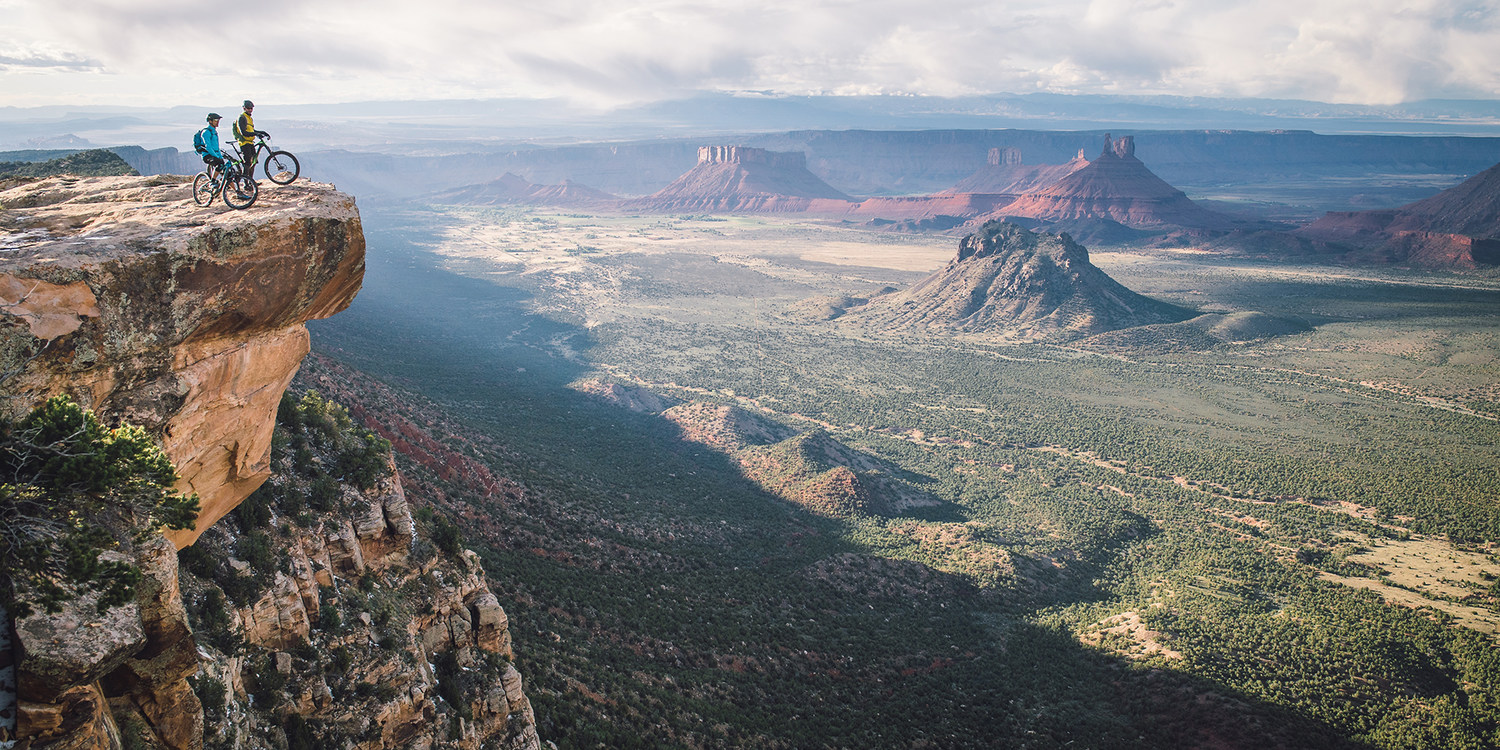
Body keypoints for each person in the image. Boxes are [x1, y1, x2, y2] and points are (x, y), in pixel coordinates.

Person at [233, 100, 268, 181]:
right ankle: (246, 183)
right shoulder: (242, 117)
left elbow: (251, 130)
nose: (250, 110)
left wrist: (261, 132)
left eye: (251, 108)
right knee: (247, 163)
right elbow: (244, 132)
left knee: (253, 162)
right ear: (244, 108)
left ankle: (251, 181)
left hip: (250, 142)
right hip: (244, 142)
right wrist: (256, 134)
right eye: (248, 108)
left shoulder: (249, 118)